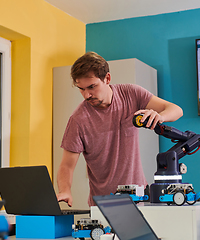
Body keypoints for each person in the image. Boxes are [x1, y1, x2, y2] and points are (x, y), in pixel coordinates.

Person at [57, 52, 183, 207]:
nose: (87, 95)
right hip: (103, 205)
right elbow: (67, 165)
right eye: (81, 89)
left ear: (107, 79)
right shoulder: (78, 120)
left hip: (139, 198)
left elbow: (176, 109)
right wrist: (65, 190)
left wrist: (159, 116)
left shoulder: (131, 94)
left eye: (92, 87)